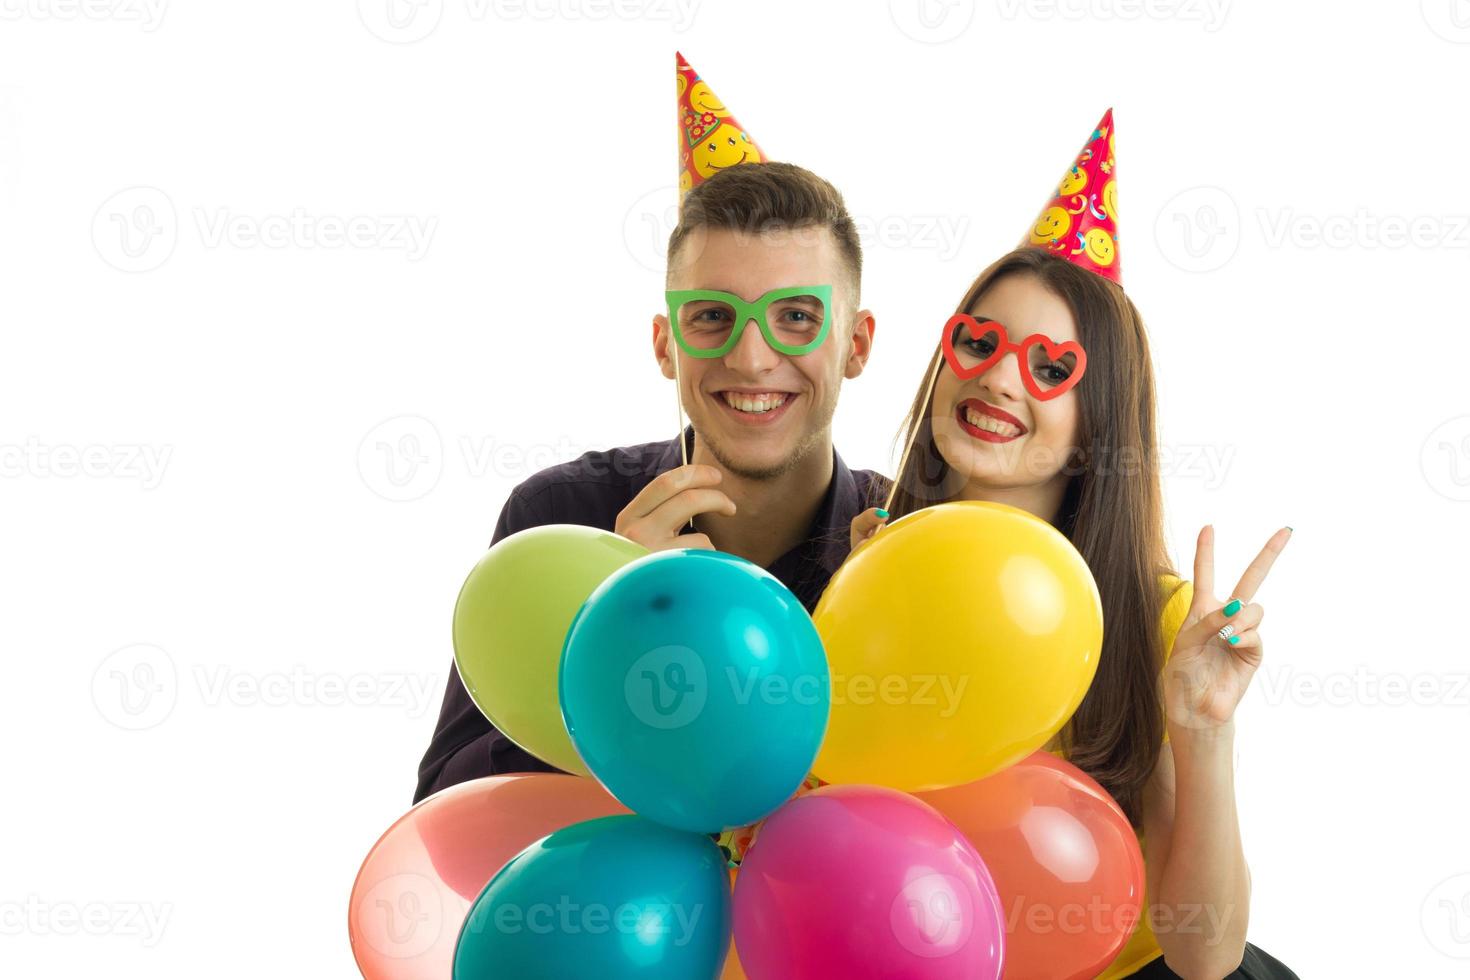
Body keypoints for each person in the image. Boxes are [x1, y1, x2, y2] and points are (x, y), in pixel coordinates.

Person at [849, 112, 1298, 979]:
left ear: (1101, 419)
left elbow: (1205, 953)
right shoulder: (868, 574)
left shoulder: (1158, 620)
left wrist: (1202, 733)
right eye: (977, 342)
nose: (999, 375)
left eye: (1051, 366)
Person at [416, 155, 884, 804]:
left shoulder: (902, 542)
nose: (751, 358)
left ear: (856, 345)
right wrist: (621, 637)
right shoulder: (558, 521)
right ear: (667, 345)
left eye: (797, 317)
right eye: (713, 316)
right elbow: (454, 813)